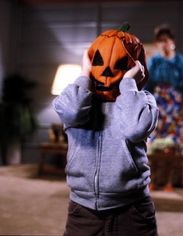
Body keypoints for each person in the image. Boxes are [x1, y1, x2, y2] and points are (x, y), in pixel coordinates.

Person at [53, 26, 159, 236]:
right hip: (83, 211)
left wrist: (129, 84)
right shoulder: (78, 99)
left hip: (133, 210)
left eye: (120, 65)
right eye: (99, 62)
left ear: (136, 68)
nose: (108, 72)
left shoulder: (144, 100)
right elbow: (72, 113)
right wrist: (84, 73)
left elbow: (135, 128)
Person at [145, 25, 183, 192]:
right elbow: (148, 85)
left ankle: (168, 182)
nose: (164, 44)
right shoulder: (155, 61)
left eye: (166, 40)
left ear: (172, 41)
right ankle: (152, 180)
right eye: (160, 41)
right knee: (153, 144)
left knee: (171, 146)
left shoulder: (181, 61)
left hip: (174, 106)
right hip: (158, 105)